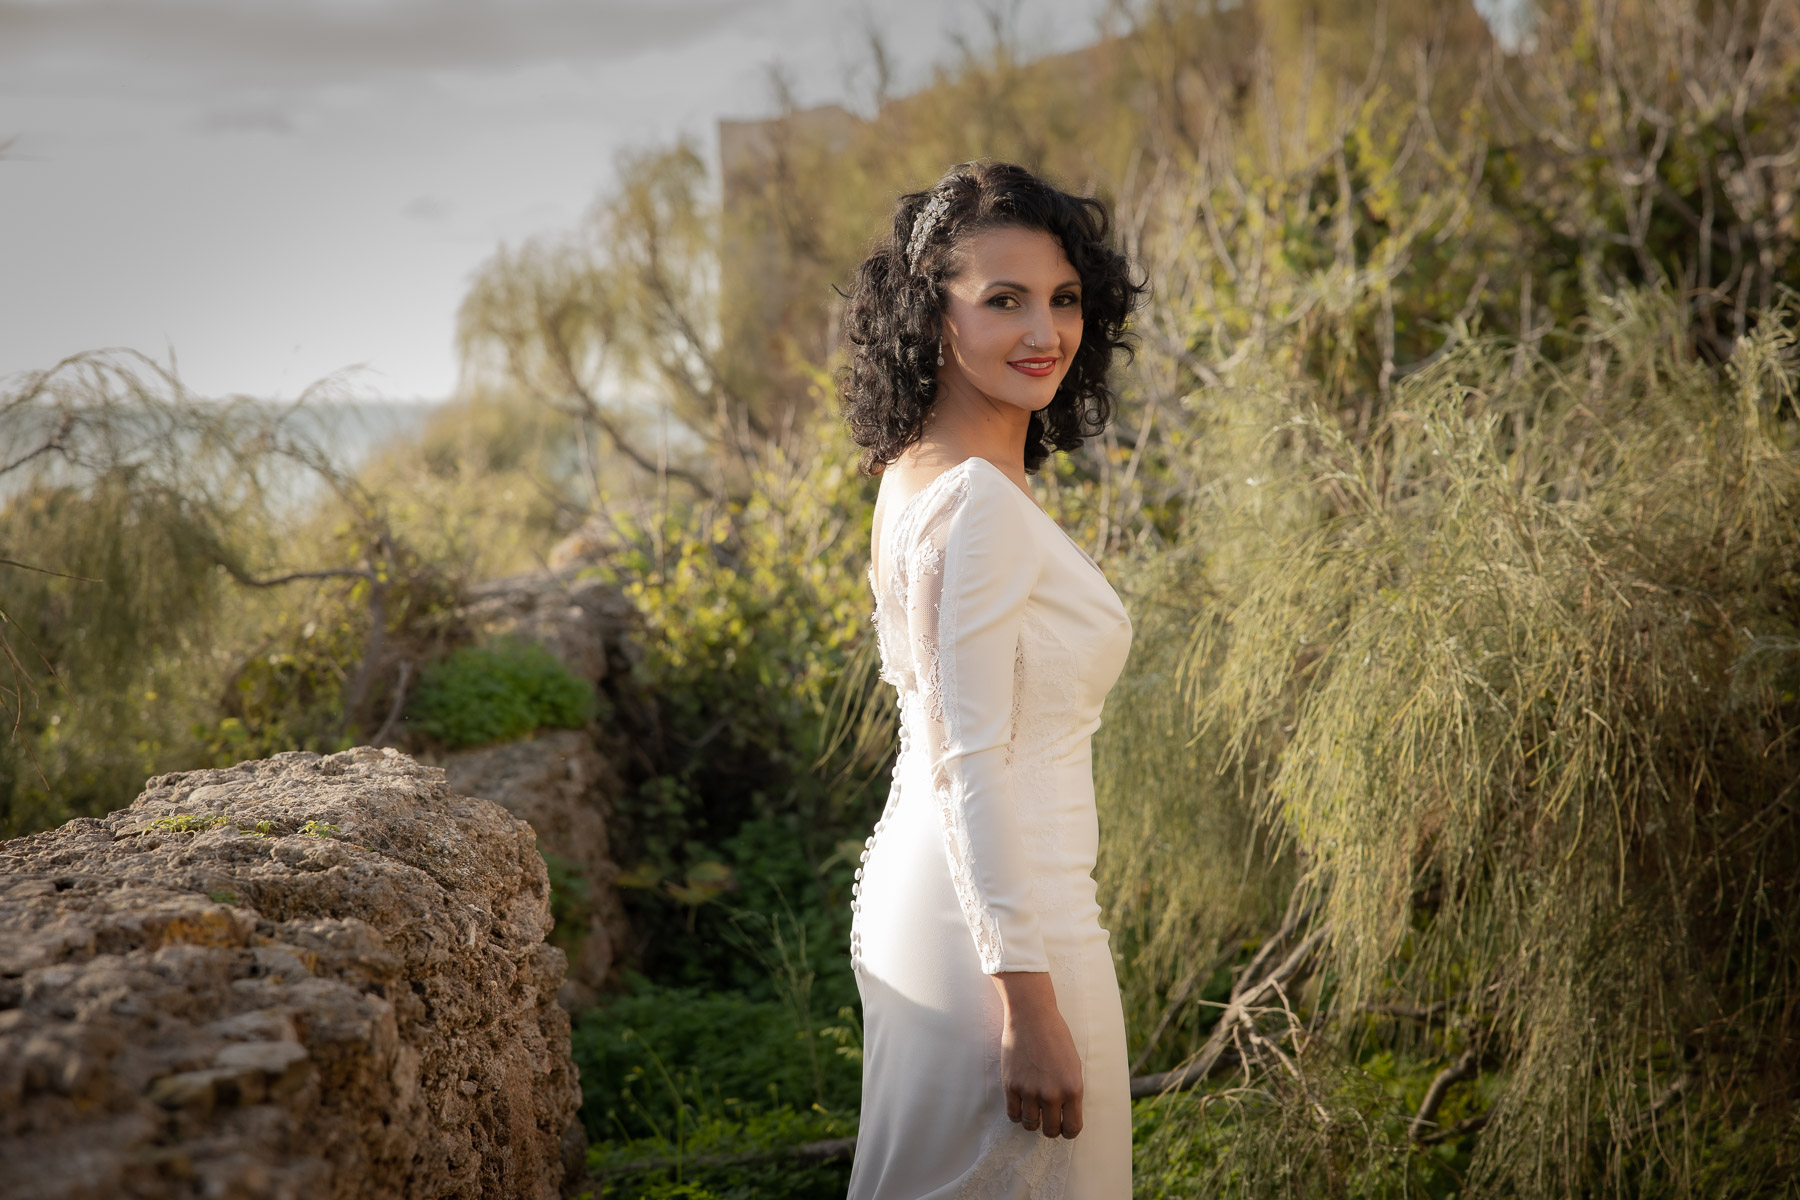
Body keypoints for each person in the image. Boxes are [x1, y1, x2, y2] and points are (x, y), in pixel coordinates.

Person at [837, 160, 1147, 1199]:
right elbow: (971, 760)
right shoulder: (971, 497)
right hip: (1015, 929)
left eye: (1063, 299)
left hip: (938, 891)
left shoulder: (913, 472)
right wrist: (1030, 1006)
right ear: (933, 317)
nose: (1044, 332)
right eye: (1002, 300)